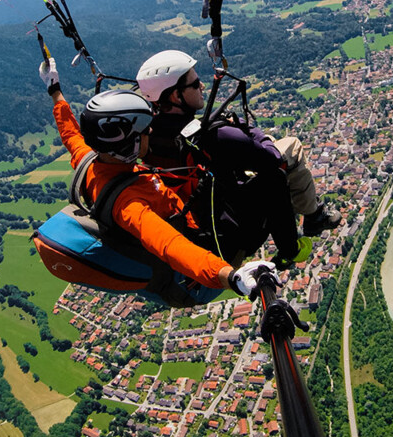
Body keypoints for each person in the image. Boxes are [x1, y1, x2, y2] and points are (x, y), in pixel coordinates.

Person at [39, 57, 278, 299]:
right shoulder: (129, 206)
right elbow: (171, 245)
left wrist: (54, 89)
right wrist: (231, 276)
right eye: (144, 130)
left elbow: (70, 134)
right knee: (273, 181)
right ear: (128, 145)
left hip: (191, 233)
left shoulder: (92, 163)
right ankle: (292, 246)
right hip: (202, 272)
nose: (151, 131)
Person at [136, 50, 341, 243]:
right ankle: (314, 216)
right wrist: (250, 131)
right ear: (175, 96)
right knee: (292, 146)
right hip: (232, 212)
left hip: (198, 209)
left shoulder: (147, 134)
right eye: (195, 83)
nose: (203, 87)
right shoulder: (213, 135)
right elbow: (271, 158)